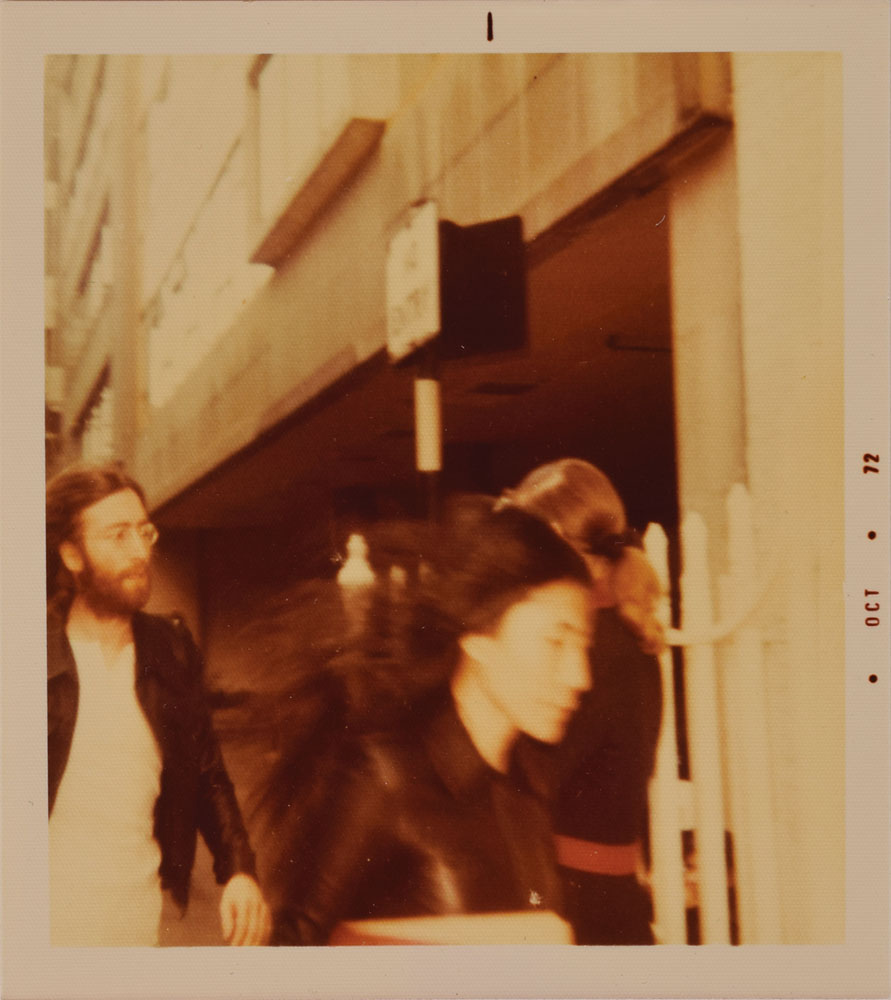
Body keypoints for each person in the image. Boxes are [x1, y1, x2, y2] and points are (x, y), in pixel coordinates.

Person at [267, 496, 595, 945]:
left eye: (584, 647)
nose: (581, 676)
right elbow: (290, 954)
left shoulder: (531, 791)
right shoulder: (383, 777)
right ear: (478, 637)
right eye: (556, 641)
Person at [46, 462, 271, 946]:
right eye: (118, 535)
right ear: (72, 554)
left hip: (135, 924)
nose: (140, 550)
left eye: (144, 532)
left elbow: (208, 771)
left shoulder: (170, 649)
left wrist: (239, 871)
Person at [505, 458, 665, 945]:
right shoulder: (620, 632)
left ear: (553, 538)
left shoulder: (592, 646)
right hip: (607, 898)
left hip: (582, 907)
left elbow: (532, 780)